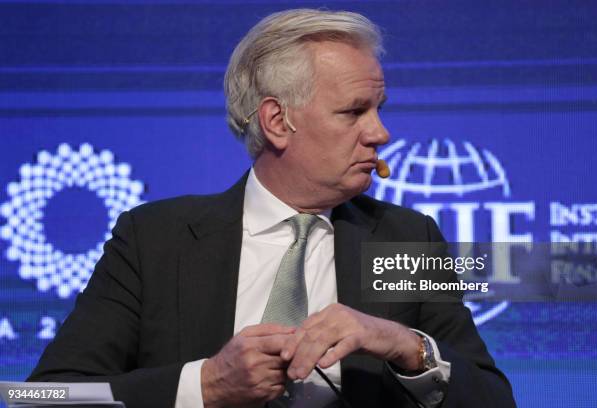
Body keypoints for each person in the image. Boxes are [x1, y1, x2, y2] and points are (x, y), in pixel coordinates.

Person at [29, 9, 516, 408]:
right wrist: (207, 385)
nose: (380, 133)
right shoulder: (154, 239)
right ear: (278, 121)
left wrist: (408, 347)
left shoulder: (406, 239)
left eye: (379, 108)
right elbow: (44, 397)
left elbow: (495, 401)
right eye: (353, 111)